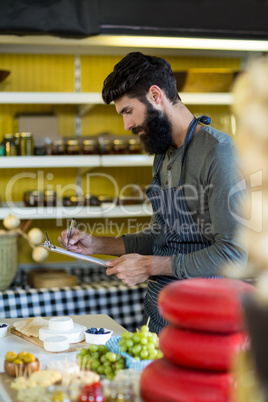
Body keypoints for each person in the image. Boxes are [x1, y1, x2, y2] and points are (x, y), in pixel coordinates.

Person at [59, 52, 248, 334]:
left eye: (127, 111)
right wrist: (97, 244)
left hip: (204, 319)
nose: (127, 126)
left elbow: (233, 254)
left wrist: (149, 265)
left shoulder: (218, 152)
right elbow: (162, 236)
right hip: (161, 314)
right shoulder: (163, 154)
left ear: (156, 95)